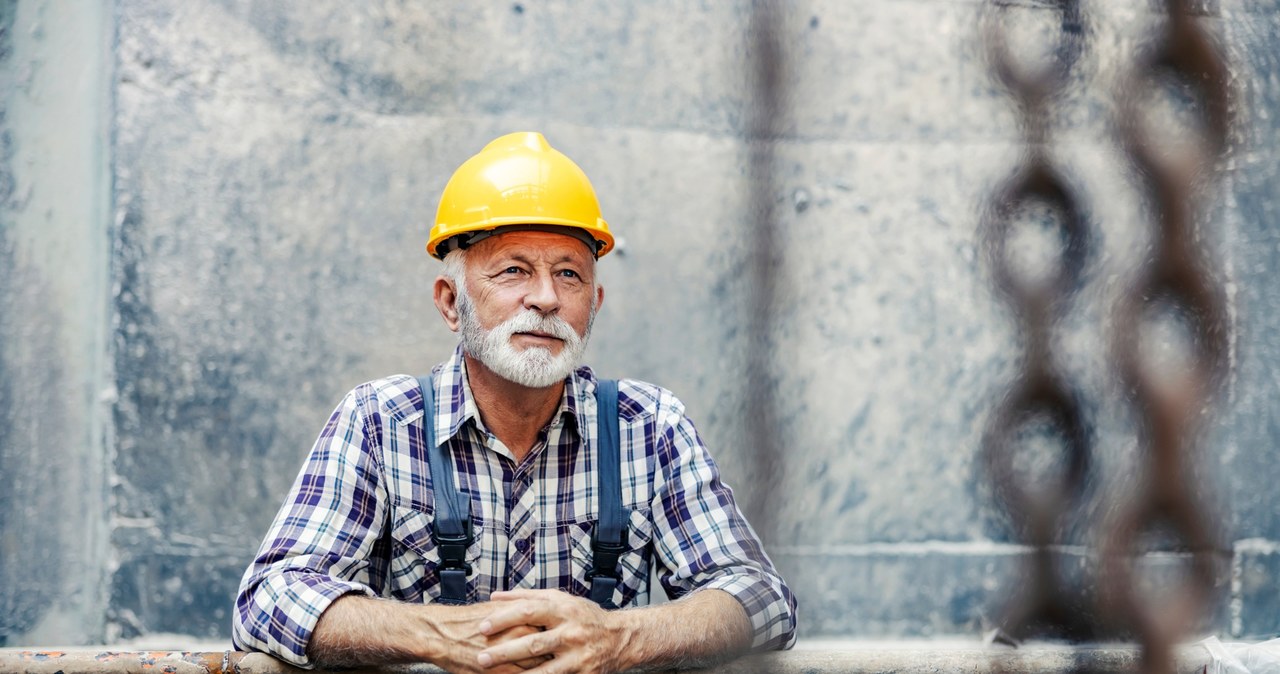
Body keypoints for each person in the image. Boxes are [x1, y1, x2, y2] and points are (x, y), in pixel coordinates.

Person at [232, 132, 797, 673]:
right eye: (513, 271)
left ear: (593, 303)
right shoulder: (380, 422)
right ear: (451, 302)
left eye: (569, 275)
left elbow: (761, 596)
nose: (547, 298)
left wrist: (618, 639)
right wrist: (443, 636)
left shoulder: (648, 427)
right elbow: (269, 598)